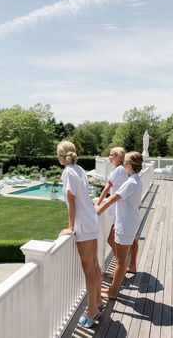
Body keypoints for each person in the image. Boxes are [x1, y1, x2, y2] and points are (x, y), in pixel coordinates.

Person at [57, 140, 103, 328]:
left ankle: (92, 309)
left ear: (61, 156)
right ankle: (98, 301)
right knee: (94, 265)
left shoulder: (68, 172)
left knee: (89, 270)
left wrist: (70, 227)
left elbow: (72, 201)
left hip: (83, 224)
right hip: (91, 220)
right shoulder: (80, 169)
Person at [95, 151, 143, 299]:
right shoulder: (136, 179)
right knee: (120, 261)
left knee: (120, 262)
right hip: (129, 222)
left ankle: (112, 292)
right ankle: (114, 289)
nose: (123, 164)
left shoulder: (131, 182)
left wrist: (98, 209)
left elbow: (114, 197)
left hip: (126, 224)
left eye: (125, 162)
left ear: (128, 164)